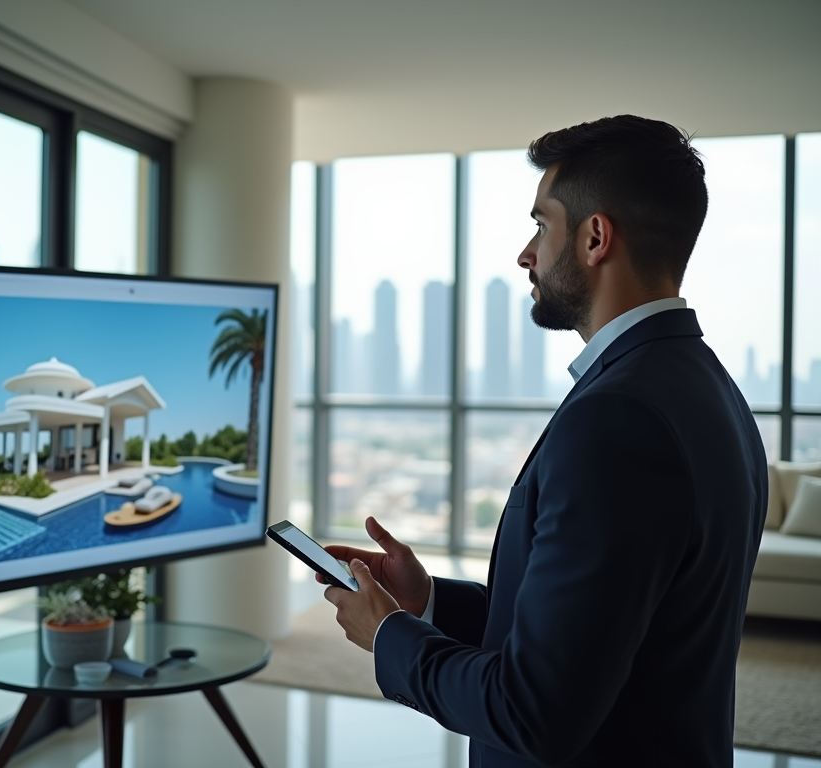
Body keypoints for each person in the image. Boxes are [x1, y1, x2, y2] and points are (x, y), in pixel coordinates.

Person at [320, 115, 768, 768]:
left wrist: (390, 635)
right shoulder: (708, 388)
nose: (525, 253)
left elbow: (533, 710)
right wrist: (428, 602)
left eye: (540, 224)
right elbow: (602, 634)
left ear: (594, 236)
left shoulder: (618, 417)